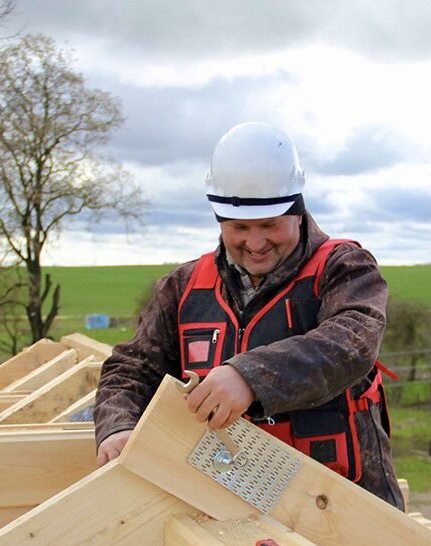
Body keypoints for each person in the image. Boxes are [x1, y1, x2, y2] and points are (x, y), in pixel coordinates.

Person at [94, 122, 404, 510]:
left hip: (345, 506)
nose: (255, 243)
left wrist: (250, 377)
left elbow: (351, 344)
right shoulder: (183, 286)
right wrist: (118, 426)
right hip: (228, 507)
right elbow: (131, 369)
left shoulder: (344, 268)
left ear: (297, 211)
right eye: (239, 228)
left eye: (270, 226)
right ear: (220, 220)